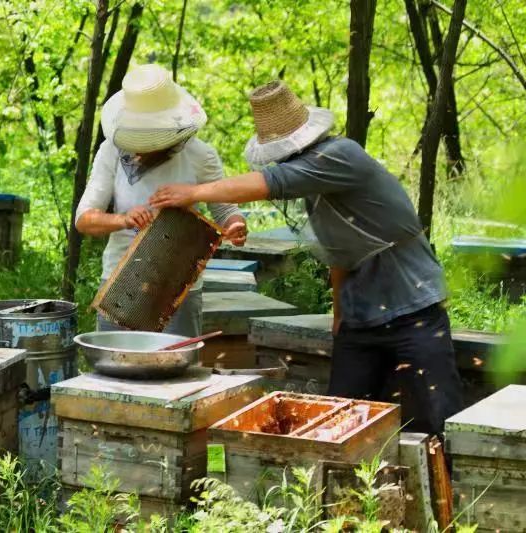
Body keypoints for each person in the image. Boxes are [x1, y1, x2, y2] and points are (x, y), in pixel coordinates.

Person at [150, 80, 463, 435]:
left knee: (437, 418)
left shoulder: (340, 156)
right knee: (341, 423)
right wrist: (339, 315)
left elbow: (267, 183)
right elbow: (340, 252)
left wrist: (193, 192)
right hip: (360, 319)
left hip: (413, 308)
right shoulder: (317, 190)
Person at [75, 64, 248, 337]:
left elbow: (225, 209)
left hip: (178, 284)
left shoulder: (200, 155)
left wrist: (236, 224)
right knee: (116, 370)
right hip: (120, 283)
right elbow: (84, 219)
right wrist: (123, 219)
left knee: (178, 371)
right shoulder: (110, 153)